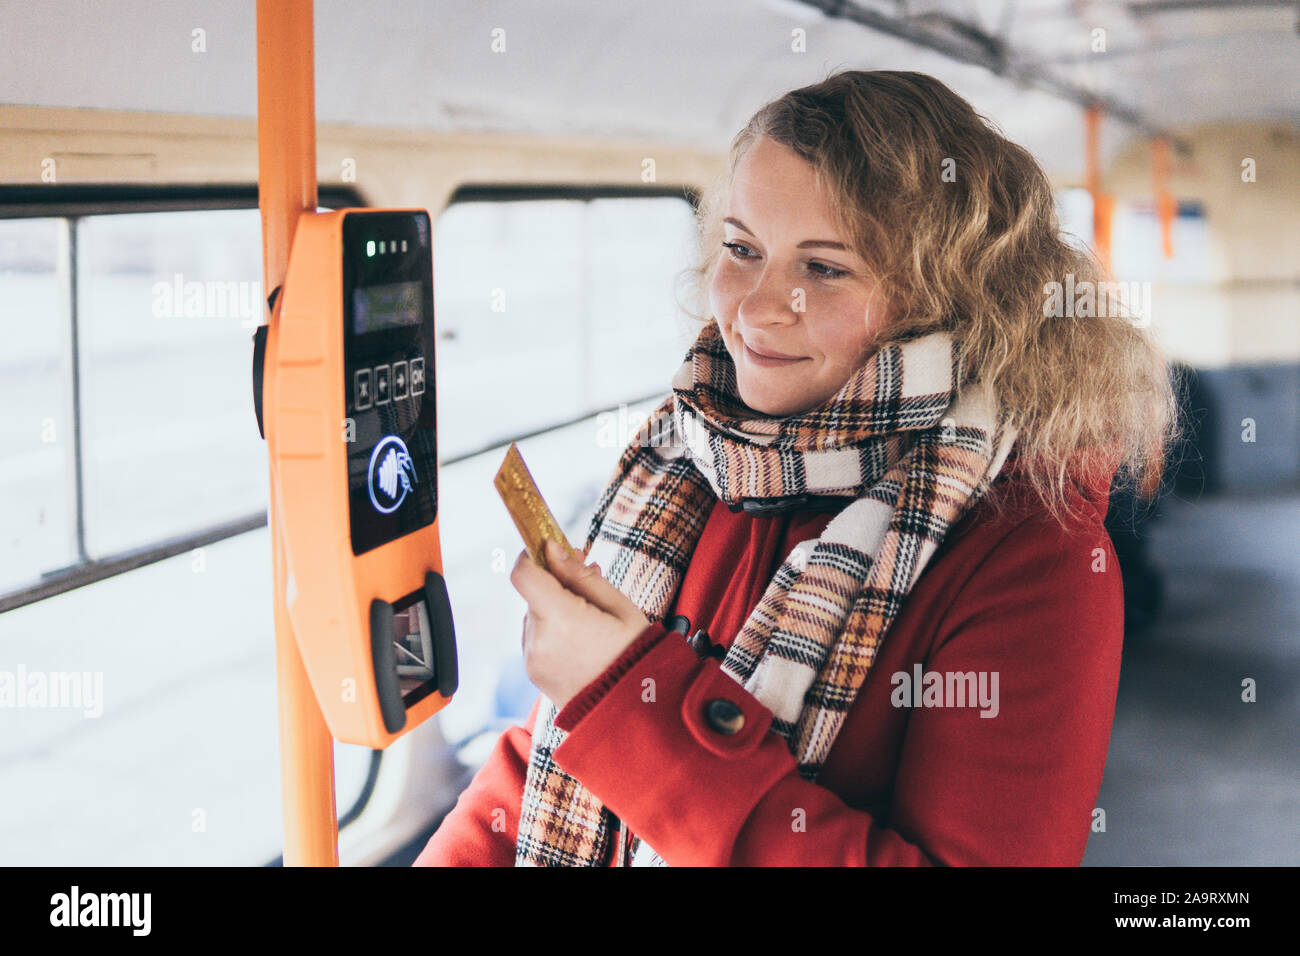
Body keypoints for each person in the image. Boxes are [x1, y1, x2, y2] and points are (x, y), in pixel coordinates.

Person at [413, 69, 1179, 867]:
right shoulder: (684, 457)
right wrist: (603, 698)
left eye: (824, 269)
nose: (753, 307)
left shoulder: (1034, 558)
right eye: (743, 248)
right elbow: (545, 763)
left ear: (944, 299)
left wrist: (630, 707)